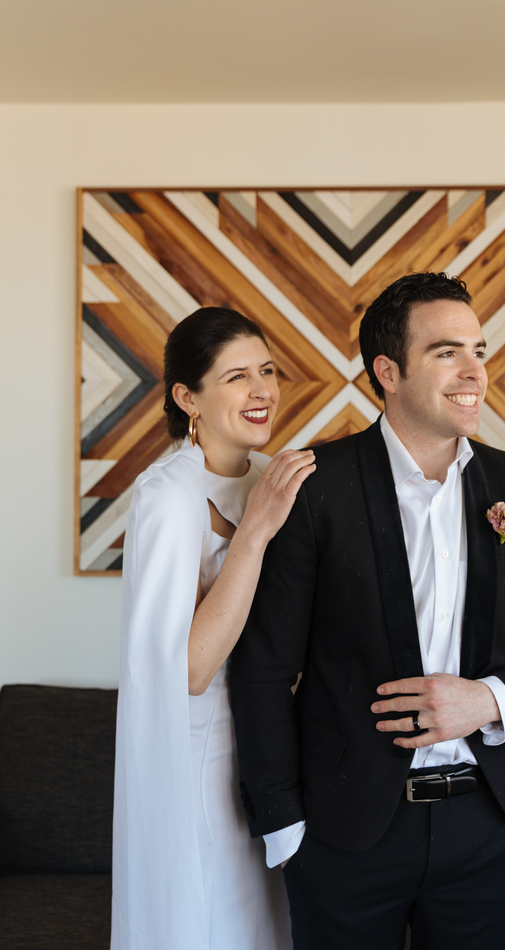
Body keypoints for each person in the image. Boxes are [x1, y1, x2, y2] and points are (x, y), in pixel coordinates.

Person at [230, 272, 505, 950]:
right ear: (387, 370)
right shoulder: (316, 486)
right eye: (446, 352)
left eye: (479, 350)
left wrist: (486, 701)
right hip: (343, 831)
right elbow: (260, 670)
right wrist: (284, 828)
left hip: (489, 825)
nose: (473, 372)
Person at [111, 307, 315, 950]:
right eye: (235, 377)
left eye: (267, 371)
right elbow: (190, 671)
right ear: (186, 397)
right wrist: (254, 532)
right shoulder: (166, 496)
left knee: (274, 924)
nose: (261, 391)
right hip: (199, 755)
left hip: (273, 745)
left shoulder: (269, 477)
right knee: (216, 923)